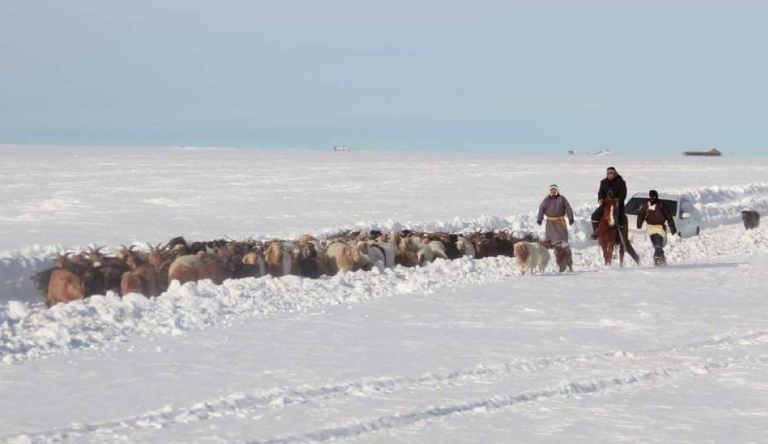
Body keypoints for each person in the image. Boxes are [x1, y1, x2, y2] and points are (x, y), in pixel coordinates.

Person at [637, 190, 677, 265]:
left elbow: (669, 216)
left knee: (658, 243)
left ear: (657, 197)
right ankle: (660, 258)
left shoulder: (661, 205)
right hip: (650, 227)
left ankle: (657, 257)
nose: (653, 199)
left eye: (654, 197)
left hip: (660, 228)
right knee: (656, 244)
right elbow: (641, 214)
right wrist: (639, 224)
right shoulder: (647, 205)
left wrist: (672, 228)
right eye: (651, 197)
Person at [590, 166, 627, 240]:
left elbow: (623, 194)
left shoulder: (621, 182)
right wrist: (600, 199)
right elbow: (600, 192)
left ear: (615, 174)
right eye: (608, 174)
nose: (610, 175)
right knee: (594, 216)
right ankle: (596, 231)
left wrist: (617, 200)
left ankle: (621, 236)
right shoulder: (603, 182)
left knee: (620, 219)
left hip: (617, 205)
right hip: (606, 204)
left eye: (611, 174)